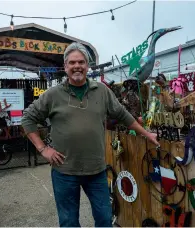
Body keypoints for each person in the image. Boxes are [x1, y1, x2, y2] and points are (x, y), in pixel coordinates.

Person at [21, 42, 160, 227]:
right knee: (69, 222)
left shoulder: (101, 91)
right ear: (65, 67)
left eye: (81, 62)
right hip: (64, 171)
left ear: (87, 66)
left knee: (104, 219)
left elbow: (122, 115)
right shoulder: (53, 95)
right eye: (72, 62)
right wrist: (43, 149)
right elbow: (28, 118)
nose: (77, 66)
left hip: (96, 171)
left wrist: (147, 134)